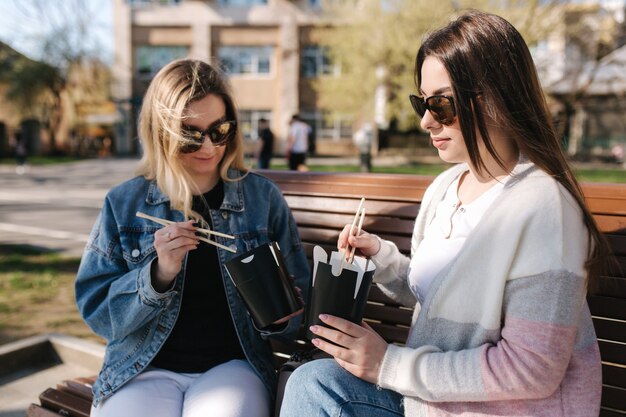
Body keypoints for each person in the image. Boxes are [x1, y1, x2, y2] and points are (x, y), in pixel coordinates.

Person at [280, 10, 609, 417]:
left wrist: (387, 364)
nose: (424, 120)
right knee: (312, 381)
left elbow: (532, 370)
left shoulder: (544, 209)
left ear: (494, 100)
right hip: (433, 403)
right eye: (422, 101)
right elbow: (437, 298)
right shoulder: (445, 190)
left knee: (314, 387)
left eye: (440, 104)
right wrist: (381, 260)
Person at [75, 59, 310, 417]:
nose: (208, 146)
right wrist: (157, 276)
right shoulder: (125, 203)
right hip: (142, 366)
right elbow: (97, 312)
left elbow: (300, 306)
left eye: (220, 130)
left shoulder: (262, 200)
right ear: (161, 132)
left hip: (233, 365)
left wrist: (279, 314)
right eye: (191, 134)